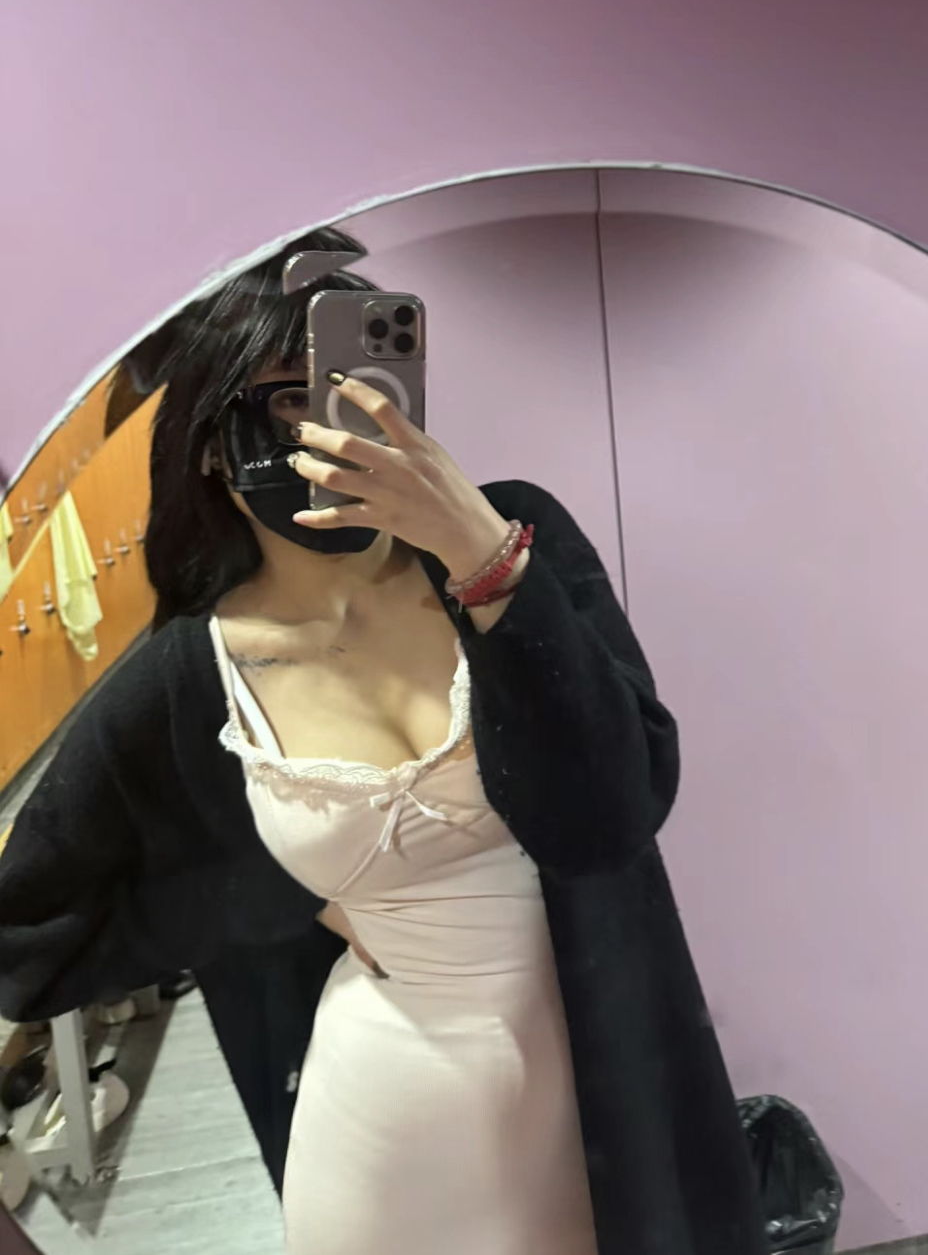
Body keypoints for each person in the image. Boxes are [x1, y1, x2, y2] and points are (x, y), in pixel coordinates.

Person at [0, 229, 766, 1255]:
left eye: (361, 391)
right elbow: (28, 935)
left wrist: (482, 561)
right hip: (382, 1118)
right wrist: (280, 893)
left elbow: (610, 817)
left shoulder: (514, 539)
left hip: (608, 1088)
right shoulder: (193, 671)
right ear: (212, 447)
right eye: (291, 398)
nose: (338, 427)